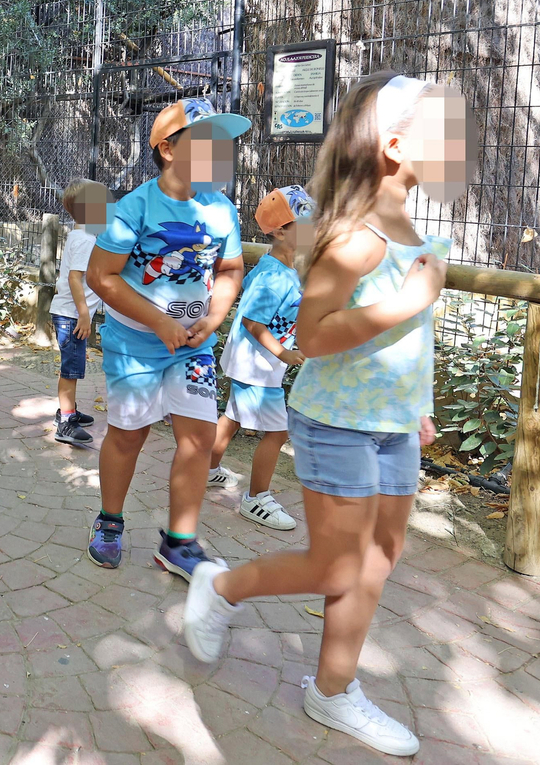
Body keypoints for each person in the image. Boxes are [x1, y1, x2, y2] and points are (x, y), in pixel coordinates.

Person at [183, 72, 462, 758]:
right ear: (395, 146)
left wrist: (415, 409)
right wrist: (409, 300)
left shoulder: (408, 228)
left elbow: (407, 344)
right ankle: (221, 586)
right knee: (339, 568)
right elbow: (313, 336)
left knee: (380, 559)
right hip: (337, 421)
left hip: (392, 423)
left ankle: (332, 692)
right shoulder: (360, 238)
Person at [85, 98, 250, 579]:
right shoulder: (134, 207)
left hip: (193, 344)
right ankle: (110, 522)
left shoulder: (221, 209)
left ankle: (179, 542)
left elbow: (231, 267)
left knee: (198, 437)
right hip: (135, 343)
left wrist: (215, 315)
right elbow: (102, 276)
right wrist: (158, 321)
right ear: (168, 150)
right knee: (128, 435)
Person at [209, 185, 313, 531]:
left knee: (233, 416)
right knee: (277, 432)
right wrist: (285, 352)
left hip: (254, 363)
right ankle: (256, 499)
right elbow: (254, 323)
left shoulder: (282, 269)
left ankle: (207, 470)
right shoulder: (273, 276)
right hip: (257, 365)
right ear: (281, 231)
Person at [50, 179, 108, 447]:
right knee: (71, 370)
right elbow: (75, 279)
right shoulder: (85, 240)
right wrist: (84, 314)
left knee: (73, 366)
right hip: (72, 315)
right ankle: (66, 422)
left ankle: (67, 409)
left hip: (70, 313)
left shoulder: (80, 236)